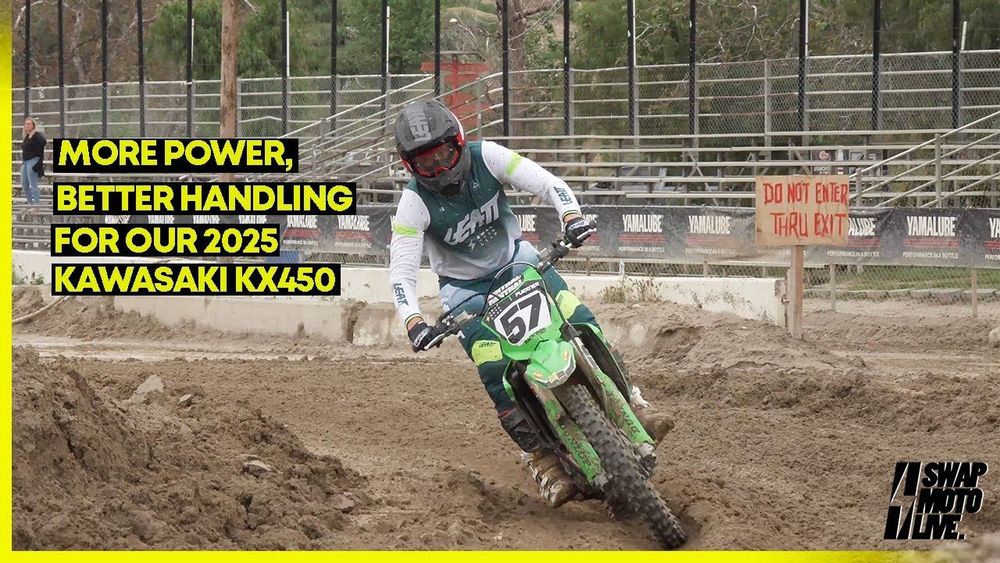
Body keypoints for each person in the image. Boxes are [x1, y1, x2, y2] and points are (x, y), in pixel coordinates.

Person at [388, 100, 672, 507]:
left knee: (581, 319)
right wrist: (414, 320)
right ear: (410, 166)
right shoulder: (413, 203)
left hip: (519, 263)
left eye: (443, 154)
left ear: (459, 142)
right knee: (494, 370)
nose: (439, 167)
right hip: (466, 294)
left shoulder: (487, 156)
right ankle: (543, 460)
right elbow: (401, 272)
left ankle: (634, 403)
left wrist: (571, 216)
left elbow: (547, 182)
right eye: (425, 163)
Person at [21, 117, 46, 212]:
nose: (26, 125)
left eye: (29, 124)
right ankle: (30, 204)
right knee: (24, 184)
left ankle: (36, 205)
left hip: (33, 160)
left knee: (33, 184)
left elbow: (43, 142)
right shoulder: (26, 136)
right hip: (25, 162)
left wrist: (34, 134)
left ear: (33, 126)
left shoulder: (36, 135)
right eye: (25, 124)